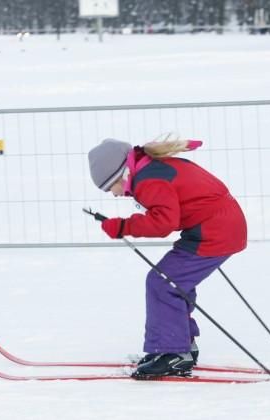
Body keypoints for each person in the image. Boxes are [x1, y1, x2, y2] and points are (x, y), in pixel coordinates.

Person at [87, 137, 247, 378]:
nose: (114, 195)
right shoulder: (149, 169)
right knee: (173, 282)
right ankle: (179, 347)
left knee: (162, 282)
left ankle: (173, 353)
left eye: (110, 188)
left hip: (215, 231)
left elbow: (163, 222)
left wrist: (123, 227)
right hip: (213, 227)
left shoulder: (149, 180)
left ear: (120, 174)